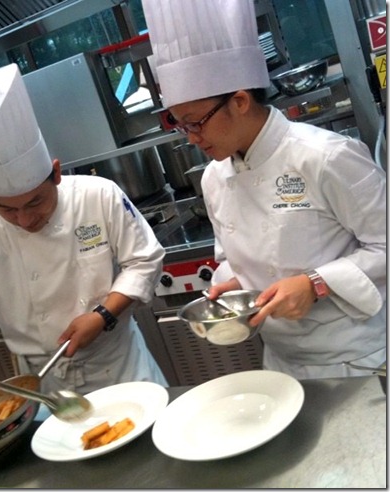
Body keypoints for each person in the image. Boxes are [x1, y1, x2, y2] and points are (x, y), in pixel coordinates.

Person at [142, 0, 386, 379]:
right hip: (281, 361)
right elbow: (232, 257)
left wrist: (316, 283)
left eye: (195, 123)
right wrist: (232, 284)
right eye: (180, 125)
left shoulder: (326, 156)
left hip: (358, 359)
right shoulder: (214, 177)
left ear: (240, 101)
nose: (190, 138)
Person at [0, 63, 167, 395]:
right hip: (46, 386)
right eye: (6, 208)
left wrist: (103, 315)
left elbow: (144, 260)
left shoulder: (98, 195)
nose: (24, 220)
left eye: (35, 202)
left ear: (55, 173)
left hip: (123, 370)